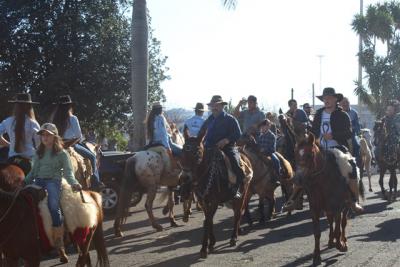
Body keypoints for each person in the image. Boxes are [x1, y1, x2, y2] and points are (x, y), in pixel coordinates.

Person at [25, 123, 82, 263]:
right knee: (26, 202)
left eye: (47, 135)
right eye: (43, 135)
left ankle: (59, 243)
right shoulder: (38, 153)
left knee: (53, 206)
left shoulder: (62, 153)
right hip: (38, 180)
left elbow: (68, 172)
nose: (44, 138)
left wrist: (74, 182)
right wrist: (24, 182)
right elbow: (33, 172)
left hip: (53, 181)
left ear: (54, 137)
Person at [311, 87, 362, 212]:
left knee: (352, 168)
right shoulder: (318, 114)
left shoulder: (342, 115)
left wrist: (333, 136)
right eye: (324, 98)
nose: (326, 100)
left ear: (335, 99)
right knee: (304, 167)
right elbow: (313, 132)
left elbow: (349, 133)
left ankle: (354, 200)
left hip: (338, 149)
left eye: (329, 98)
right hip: (320, 149)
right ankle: (294, 199)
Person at [50, 95, 104, 191]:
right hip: (72, 145)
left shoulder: (54, 119)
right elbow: (78, 136)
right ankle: (96, 182)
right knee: (92, 156)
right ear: (69, 106)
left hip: (57, 145)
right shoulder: (73, 118)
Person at [201, 95, 243, 199]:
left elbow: (238, 133)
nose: (214, 107)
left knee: (235, 164)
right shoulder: (208, 120)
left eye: (217, 105)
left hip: (227, 148)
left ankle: (236, 188)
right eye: (212, 105)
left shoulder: (230, 119)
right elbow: (201, 133)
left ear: (222, 106)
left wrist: (226, 140)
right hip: (209, 148)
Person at [0, 93, 40, 174]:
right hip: (29, 159)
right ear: (29, 107)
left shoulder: (7, 121)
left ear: (16, 106)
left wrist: (9, 144)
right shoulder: (33, 123)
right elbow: (39, 145)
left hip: (12, 159)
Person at [146, 102, 182, 171]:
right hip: (162, 143)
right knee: (182, 151)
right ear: (159, 109)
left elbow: (156, 132)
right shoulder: (160, 118)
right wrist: (168, 147)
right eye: (161, 108)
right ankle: (172, 170)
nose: (162, 110)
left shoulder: (150, 118)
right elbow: (162, 134)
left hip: (152, 143)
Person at [256, 119, 281, 186]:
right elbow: (257, 145)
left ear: (268, 126)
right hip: (260, 153)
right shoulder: (259, 136)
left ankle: (277, 177)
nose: (263, 127)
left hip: (269, 153)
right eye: (262, 126)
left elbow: (273, 148)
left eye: (265, 126)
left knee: (276, 161)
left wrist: (264, 150)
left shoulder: (272, 136)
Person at [340, 97, 361, 164]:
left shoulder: (354, 113)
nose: (344, 104)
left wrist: (358, 134)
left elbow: (357, 125)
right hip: (340, 134)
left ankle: (356, 163)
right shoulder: (338, 113)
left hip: (351, 134)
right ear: (340, 104)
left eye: (346, 102)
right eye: (343, 103)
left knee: (357, 145)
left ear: (349, 103)